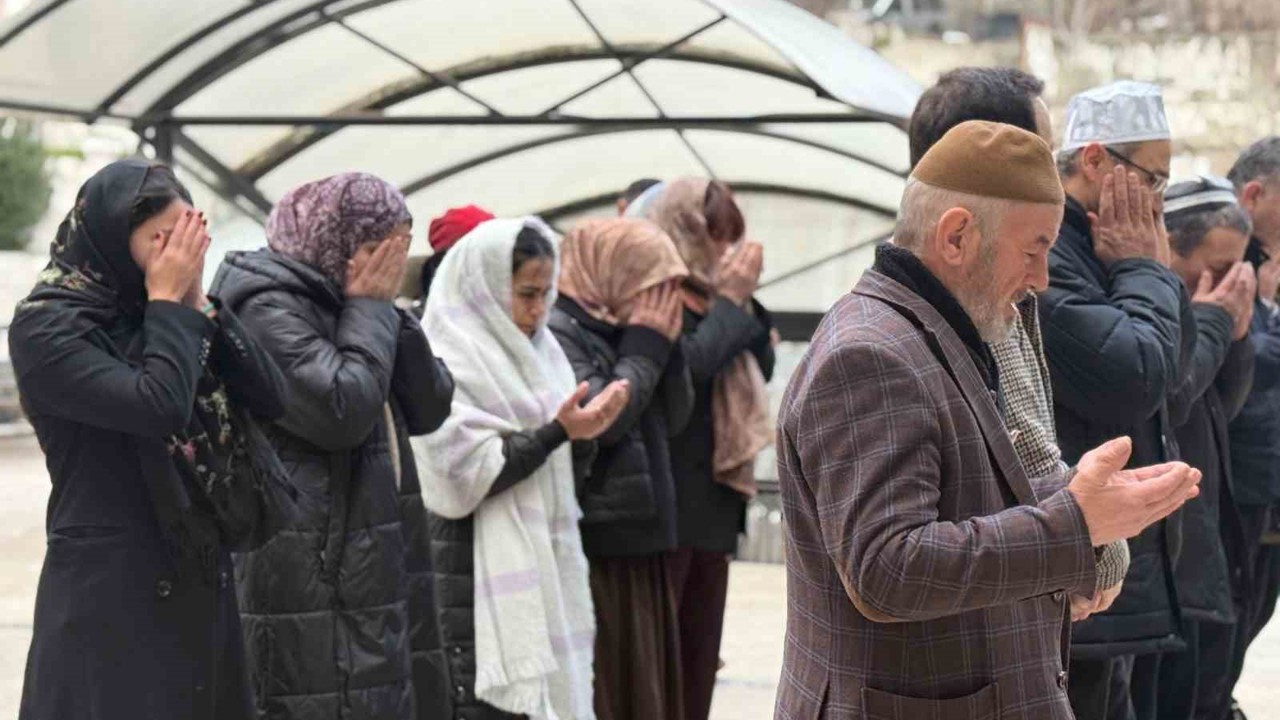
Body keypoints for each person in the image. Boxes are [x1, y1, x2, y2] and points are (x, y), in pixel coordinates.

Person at [774, 120, 1201, 720]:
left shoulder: (942, 329)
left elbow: (974, 498)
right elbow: (887, 568)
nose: (1041, 279)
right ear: (956, 236)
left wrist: (1082, 496)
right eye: (1034, 250)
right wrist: (1074, 524)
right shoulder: (870, 355)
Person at [11, 159, 291, 720]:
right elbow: (157, 405)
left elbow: (273, 398)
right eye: (161, 240)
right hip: (113, 594)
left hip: (197, 576)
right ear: (112, 238)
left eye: (185, 238)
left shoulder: (167, 315)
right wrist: (167, 303)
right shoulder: (47, 327)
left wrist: (197, 303)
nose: (176, 256)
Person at [211, 172, 456, 720]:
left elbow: (431, 406)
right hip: (311, 564)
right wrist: (370, 307)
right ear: (330, 240)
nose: (388, 266)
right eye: (377, 251)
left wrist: (387, 312)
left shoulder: (355, 301)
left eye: (399, 252)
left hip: (375, 547)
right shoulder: (264, 307)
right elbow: (341, 409)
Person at [908, 66, 1130, 624]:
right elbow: (894, 567)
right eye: (1043, 156)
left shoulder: (989, 292)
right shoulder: (898, 334)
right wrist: (1096, 549)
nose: (1042, 277)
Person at [414, 217, 629, 720]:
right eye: (526, 294)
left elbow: (562, 476)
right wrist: (557, 432)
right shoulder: (445, 356)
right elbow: (460, 477)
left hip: (542, 564)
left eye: (546, 294)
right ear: (485, 287)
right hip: (464, 569)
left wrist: (583, 436)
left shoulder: (544, 356)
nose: (538, 310)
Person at [1040, 80, 1194, 720]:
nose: (1157, 200)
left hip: (1119, 561)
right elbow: (1134, 380)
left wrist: (1150, 271)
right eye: (1151, 178)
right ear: (1096, 159)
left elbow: (1175, 378)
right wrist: (1143, 269)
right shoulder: (1051, 250)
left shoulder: (1117, 245)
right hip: (1073, 560)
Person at [630, 177, 776, 720]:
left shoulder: (719, 297)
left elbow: (761, 362)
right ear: (683, 231)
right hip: (664, 506)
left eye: (730, 237)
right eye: (714, 235)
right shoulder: (650, 290)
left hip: (713, 504)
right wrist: (732, 301)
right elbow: (687, 369)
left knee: (700, 658)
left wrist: (739, 300)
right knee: (658, 663)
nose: (723, 250)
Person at [547, 217, 694, 720]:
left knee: (646, 688)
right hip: (601, 542)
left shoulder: (630, 332)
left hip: (643, 538)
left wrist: (666, 346)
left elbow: (676, 416)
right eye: (650, 286)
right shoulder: (560, 330)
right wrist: (646, 350)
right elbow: (602, 421)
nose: (660, 302)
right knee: (609, 686)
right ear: (610, 272)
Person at [1155, 177, 1257, 720]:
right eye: (1216, 268)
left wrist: (1235, 335)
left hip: (1205, 544)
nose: (1226, 284)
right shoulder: (1154, 308)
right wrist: (1216, 322)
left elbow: (1225, 404)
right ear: (1170, 248)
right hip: (1166, 561)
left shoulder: (1203, 308)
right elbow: (1173, 398)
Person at [1225, 138, 1280, 718]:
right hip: (1234, 475)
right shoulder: (1221, 253)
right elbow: (1249, 359)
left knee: (1258, 605)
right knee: (1230, 612)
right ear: (1254, 194)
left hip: (1267, 475)